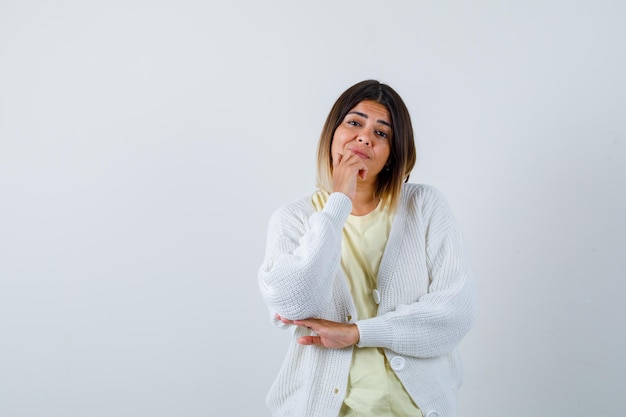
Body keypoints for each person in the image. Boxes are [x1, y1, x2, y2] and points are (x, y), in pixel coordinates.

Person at [258, 80, 477, 417]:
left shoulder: (425, 206)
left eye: (382, 133)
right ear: (333, 132)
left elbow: (454, 314)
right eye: (355, 123)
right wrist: (338, 202)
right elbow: (292, 301)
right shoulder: (294, 219)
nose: (365, 137)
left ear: (392, 154)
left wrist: (358, 332)